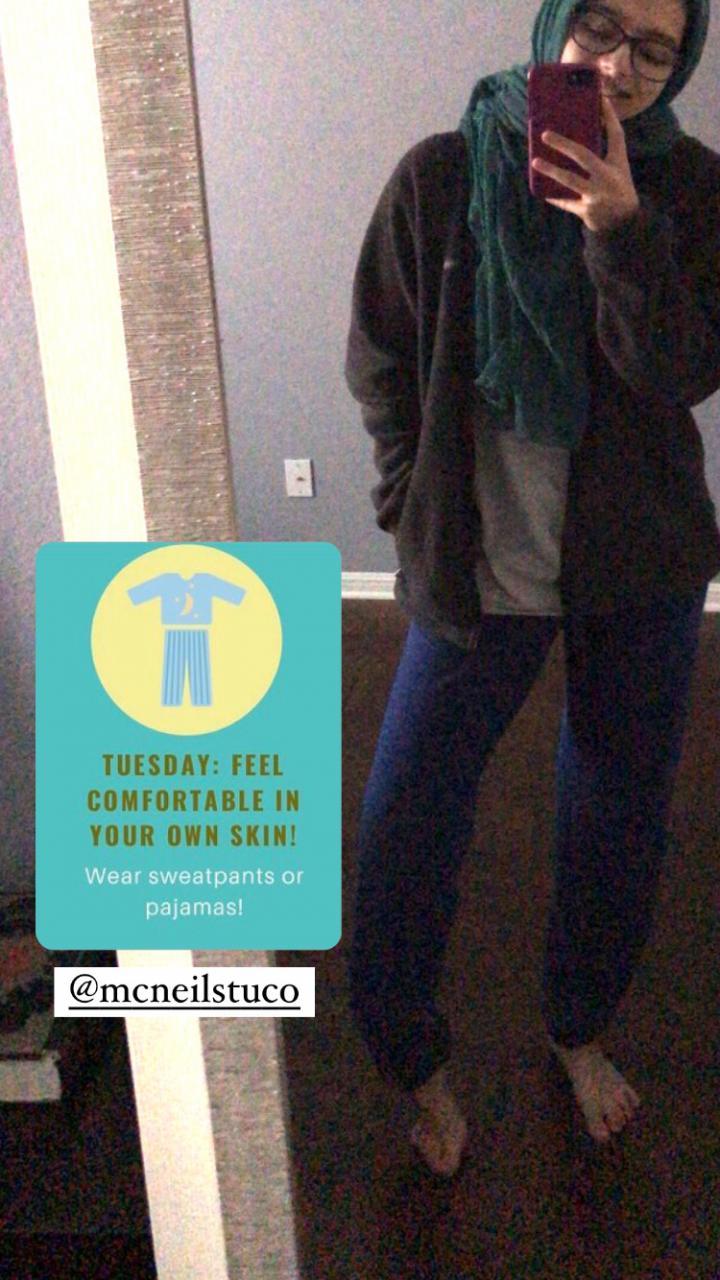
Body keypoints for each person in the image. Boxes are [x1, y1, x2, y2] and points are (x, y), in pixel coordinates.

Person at [345, 0, 720, 1177]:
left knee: (617, 813)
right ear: (555, 20)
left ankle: (579, 1025)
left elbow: (682, 373)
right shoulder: (441, 174)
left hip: (640, 568)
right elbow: (381, 357)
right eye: (599, 26)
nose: (615, 64)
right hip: (481, 569)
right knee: (408, 816)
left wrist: (621, 229)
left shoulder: (693, 190)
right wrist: (409, 502)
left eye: (653, 49)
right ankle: (413, 1057)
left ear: (680, 67)